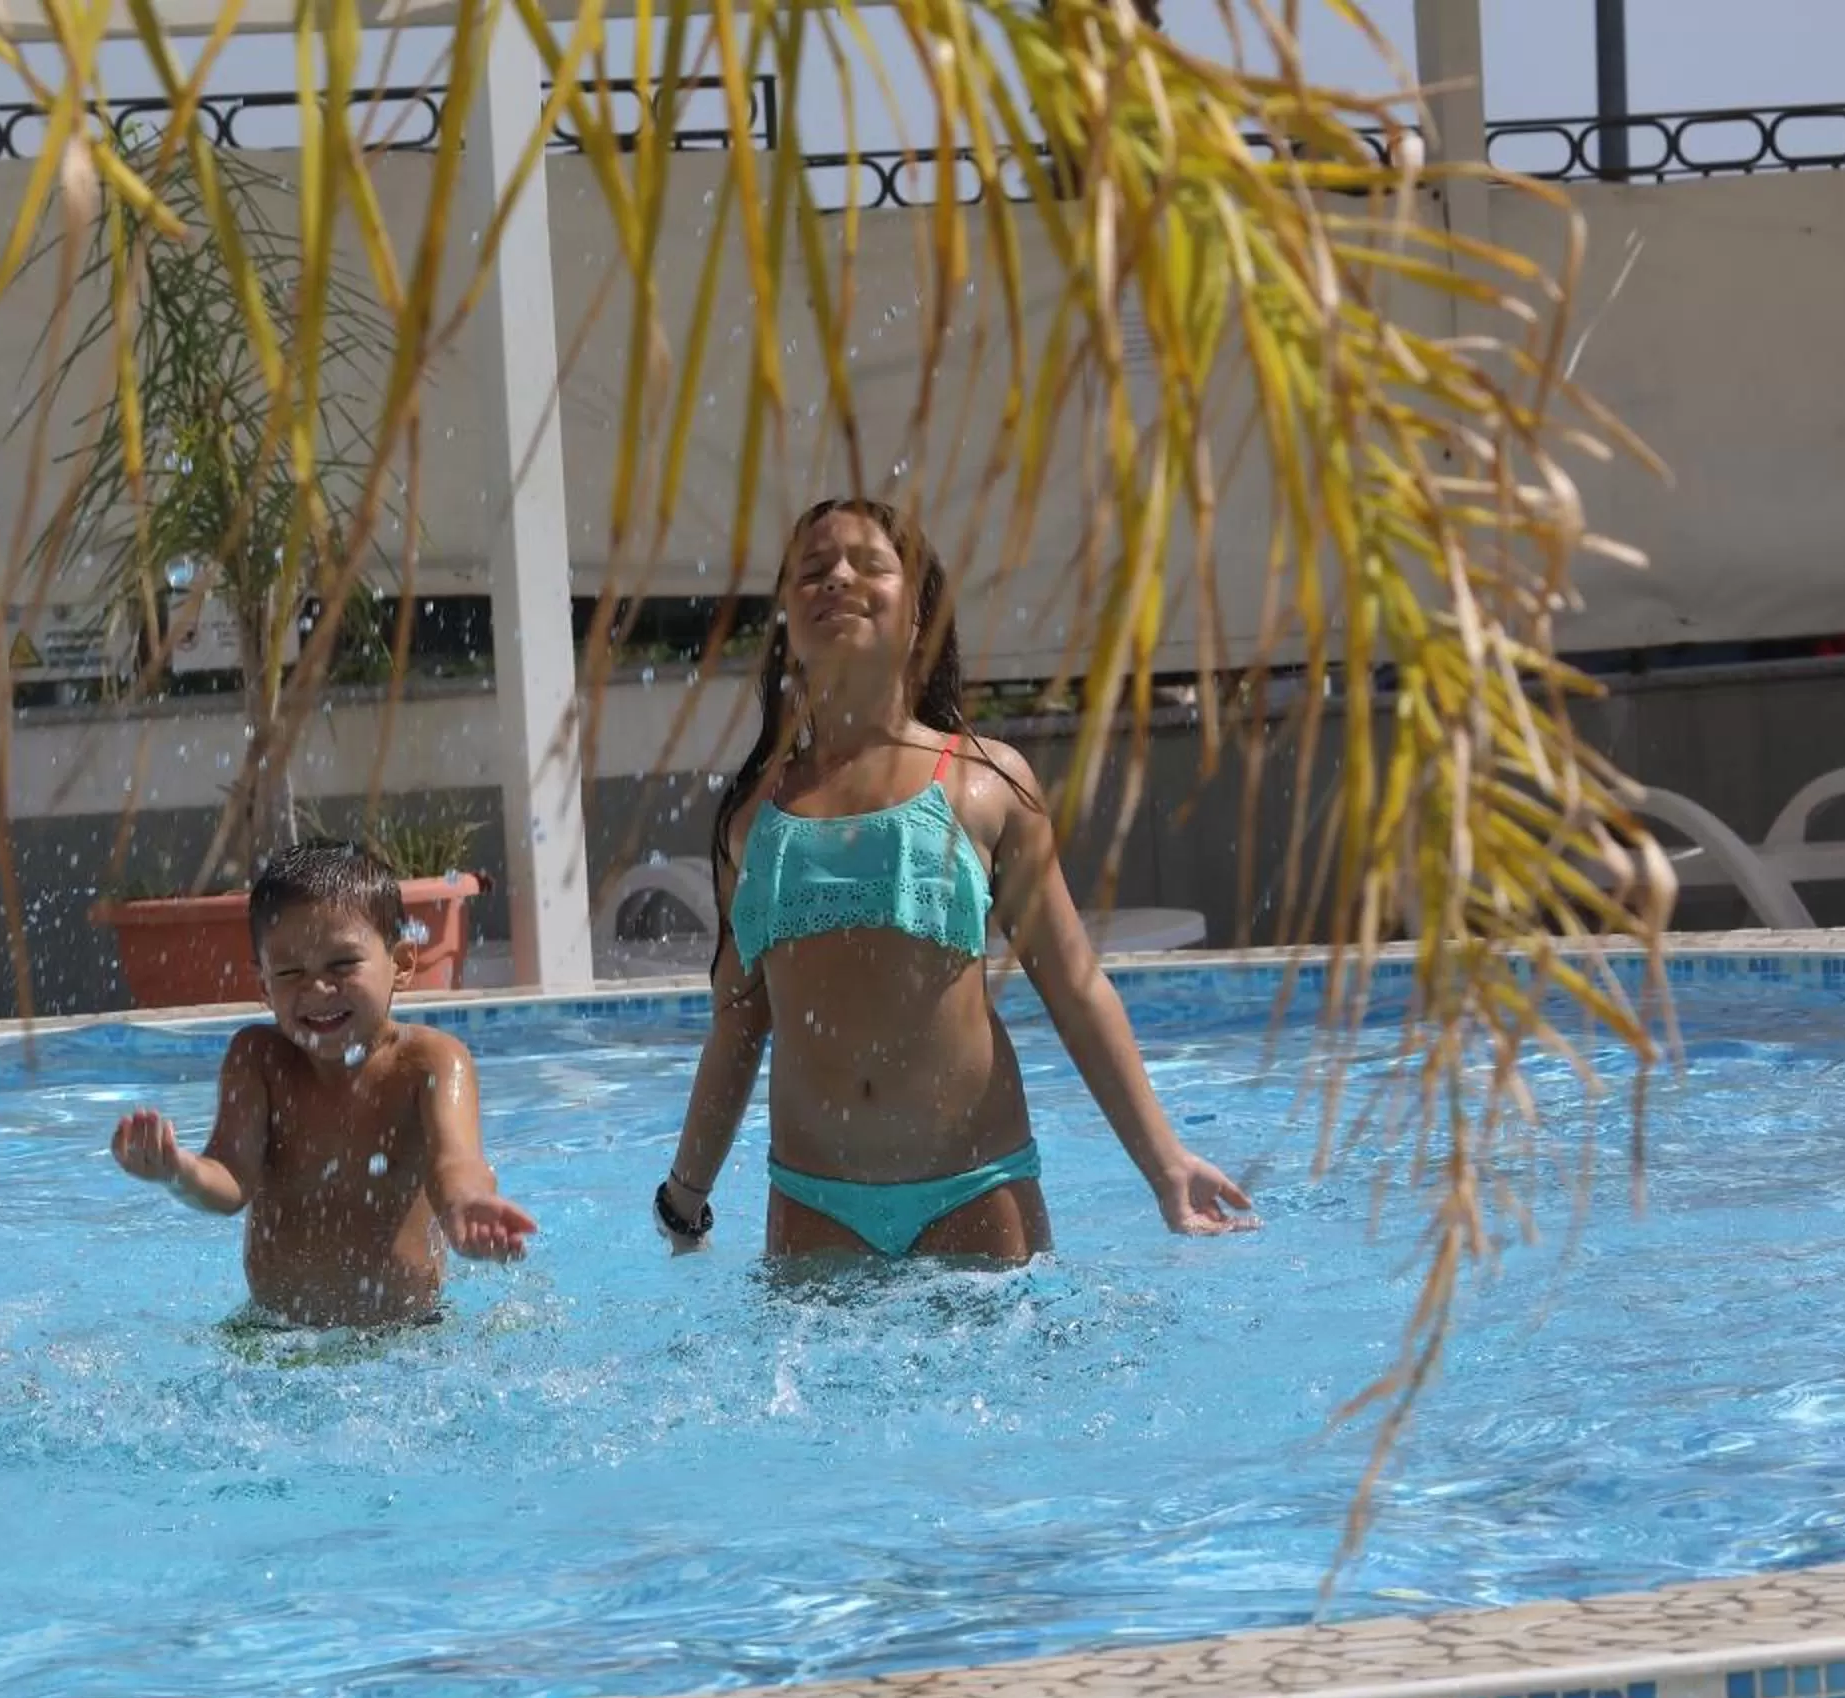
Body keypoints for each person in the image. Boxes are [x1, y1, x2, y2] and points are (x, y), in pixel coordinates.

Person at [655, 498, 1255, 1262]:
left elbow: (1074, 985)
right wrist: (686, 1196)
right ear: (788, 625)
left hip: (975, 1185)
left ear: (920, 620)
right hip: (813, 1198)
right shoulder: (751, 815)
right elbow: (740, 1022)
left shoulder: (984, 783)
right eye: (812, 571)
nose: (837, 577)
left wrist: (1166, 1165)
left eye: (869, 564)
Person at [109, 839, 538, 1325]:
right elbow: (229, 1180)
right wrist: (178, 1173)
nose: (317, 989)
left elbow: (455, 1163)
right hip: (274, 1334)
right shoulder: (258, 1059)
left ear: (400, 962)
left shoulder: (432, 1062)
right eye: (290, 972)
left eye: (342, 965)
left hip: (406, 1337)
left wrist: (469, 1206)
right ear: (264, 985)